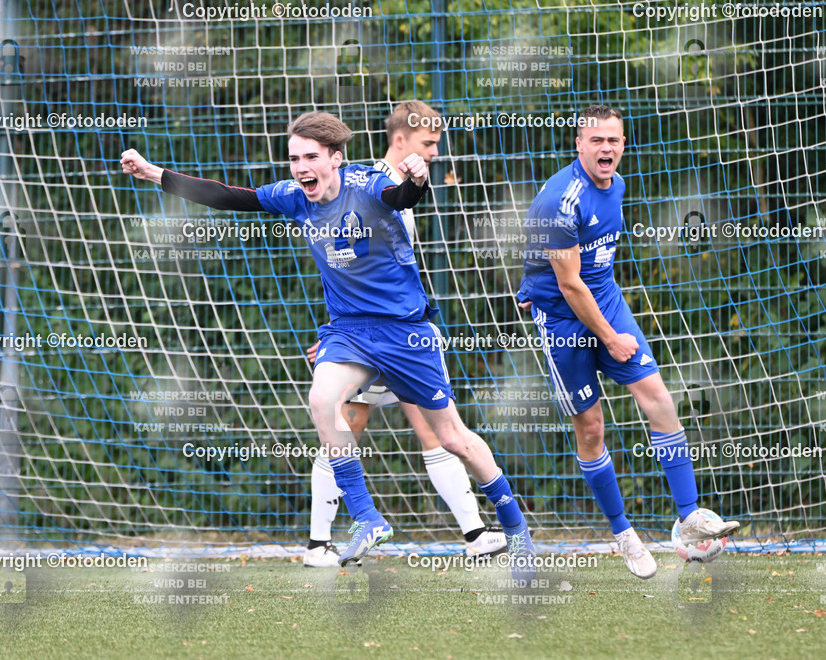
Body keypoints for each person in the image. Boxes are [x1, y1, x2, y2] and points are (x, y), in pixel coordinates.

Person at [121, 111, 534, 579]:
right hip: (349, 332)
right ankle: (366, 519)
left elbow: (400, 196)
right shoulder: (295, 198)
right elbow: (228, 197)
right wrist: (155, 173)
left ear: (336, 159)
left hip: (404, 331)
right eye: (294, 158)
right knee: (322, 400)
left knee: (453, 438)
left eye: (311, 157)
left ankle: (515, 528)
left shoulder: (367, 184)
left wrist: (419, 179)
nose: (300, 167)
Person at [516, 104, 739, 579]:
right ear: (578, 144)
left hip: (607, 302)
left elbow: (589, 271)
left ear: (623, 145)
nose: (607, 149)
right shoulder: (561, 200)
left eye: (614, 140)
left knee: (659, 397)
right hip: (562, 320)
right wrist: (611, 339)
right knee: (591, 428)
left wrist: (614, 326)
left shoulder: (615, 185)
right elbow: (571, 284)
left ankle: (690, 518)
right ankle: (624, 534)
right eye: (596, 140)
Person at [302, 101, 505, 567]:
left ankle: (475, 534)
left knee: (433, 430)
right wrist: (340, 337)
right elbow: (343, 264)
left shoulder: (398, 186)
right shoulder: (363, 187)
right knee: (343, 426)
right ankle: (320, 542)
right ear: (400, 141)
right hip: (369, 338)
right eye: (428, 144)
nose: (435, 152)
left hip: (400, 333)